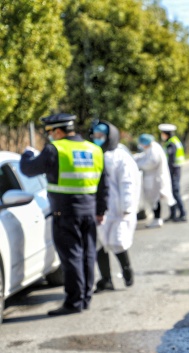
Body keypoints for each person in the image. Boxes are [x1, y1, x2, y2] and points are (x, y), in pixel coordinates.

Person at [20, 113, 108, 316]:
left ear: (58, 131)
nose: (50, 136)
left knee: (72, 258)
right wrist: (100, 210)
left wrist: (27, 154)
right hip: (89, 212)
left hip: (66, 213)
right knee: (87, 255)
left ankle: (73, 302)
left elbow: (29, 169)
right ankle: (85, 298)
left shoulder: (55, 149)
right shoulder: (94, 149)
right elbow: (104, 184)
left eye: (50, 132)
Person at [90, 120, 140, 293]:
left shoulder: (120, 156)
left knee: (118, 242)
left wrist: (127, 206)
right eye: (95, 136)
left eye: (100, 136)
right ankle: (106, 279)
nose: (97, 139)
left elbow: (127, 182)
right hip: (99, 208)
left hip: (117, 209)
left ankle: (127, 271)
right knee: (99, 245)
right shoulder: (95, 153)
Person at [134, 133, 175, 228]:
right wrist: (137, 158)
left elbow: (151, 162)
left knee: (155, 200)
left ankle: (157, 219)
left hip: (154, 179)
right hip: (152, 179)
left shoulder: (154, 149)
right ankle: (157, 218)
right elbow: (144, 157)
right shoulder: (151, 148)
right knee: (154, 201)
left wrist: (139, 165)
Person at [158, 123, 187, 222]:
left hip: (173, 170)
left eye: (163, 133)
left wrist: (168, 172)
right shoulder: (174, 140)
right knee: (171, 192)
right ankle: (173, 214)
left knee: (175, 192)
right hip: (176, 169)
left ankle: (183, 214)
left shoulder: (171, 143)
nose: (162, 135)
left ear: (166, 133)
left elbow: (171, 159)